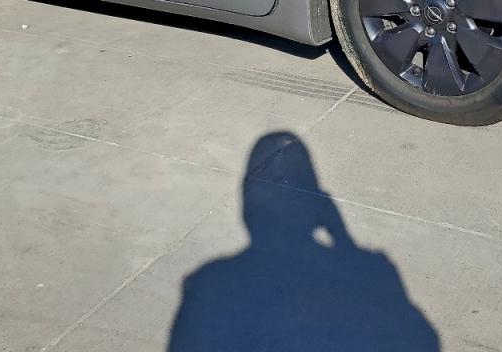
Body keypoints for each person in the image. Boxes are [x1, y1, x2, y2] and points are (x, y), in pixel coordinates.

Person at [168, 132, 439, 351]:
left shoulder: (210, 283)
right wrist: (346, 246)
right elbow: (422, 338)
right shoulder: (375, 273)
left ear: (246, 210)